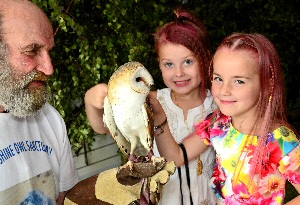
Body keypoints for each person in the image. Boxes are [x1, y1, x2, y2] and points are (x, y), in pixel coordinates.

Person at [85, 8, 217, 205]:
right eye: (169, 64)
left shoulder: (220, 105)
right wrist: (92, 101)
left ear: (206, 58)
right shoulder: (151, 102)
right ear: (159, 64)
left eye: (188, 61)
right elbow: (103, 127)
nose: (179, 73)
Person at [153, 33, 300, 204]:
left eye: (238, 81)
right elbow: (176, 157)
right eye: (218, 79)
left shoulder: (282, 140)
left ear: (267, 83)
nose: (224, 90)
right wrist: (159, 119)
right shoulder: (219, 123)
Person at [0, 0, 79, 204]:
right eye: (32, 51)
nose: (49, 68)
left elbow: (65, 199)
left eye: (49, 51)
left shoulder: (49, 118)